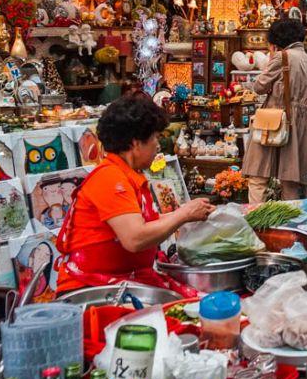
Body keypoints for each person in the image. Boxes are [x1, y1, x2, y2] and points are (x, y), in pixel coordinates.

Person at [55, 92, 215, 292]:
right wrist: (183, 214)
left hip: (120, 280)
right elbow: (135, 238)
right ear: (135, 143)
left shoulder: (126, 174)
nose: (157, 145)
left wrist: (187, 213)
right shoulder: (110, 178)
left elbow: (143, 225)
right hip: (91, 287)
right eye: (155, 138)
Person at [244, 18, 307, 203]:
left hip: (274, 119)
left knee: (258, 173)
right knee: (290, 178)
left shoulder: (282, 57)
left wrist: (272, 56)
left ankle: (256, 219)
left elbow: (259, 86)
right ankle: (288, 221)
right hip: (301, 122)